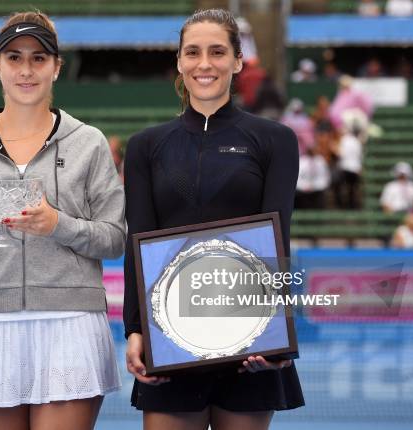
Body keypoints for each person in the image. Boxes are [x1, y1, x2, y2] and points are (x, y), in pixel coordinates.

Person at [0, 11, 125, 430]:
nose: (26, 70)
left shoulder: (88, 142)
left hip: (69, 321)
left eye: (39, 58)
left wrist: (58, 224)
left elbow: (114, 238)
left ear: (57, 67)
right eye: (14, 58)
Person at [123, 9, 304, 430]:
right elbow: (141, 239)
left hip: (249, 339)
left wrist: (272, 332)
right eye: (193, 52)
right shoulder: (145, 147)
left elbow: (277, 240)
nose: (205, 63)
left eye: (218, 52)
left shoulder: (275, 140)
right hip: (169, 337)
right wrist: (136, 328)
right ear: (180, 61)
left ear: (238, 61)